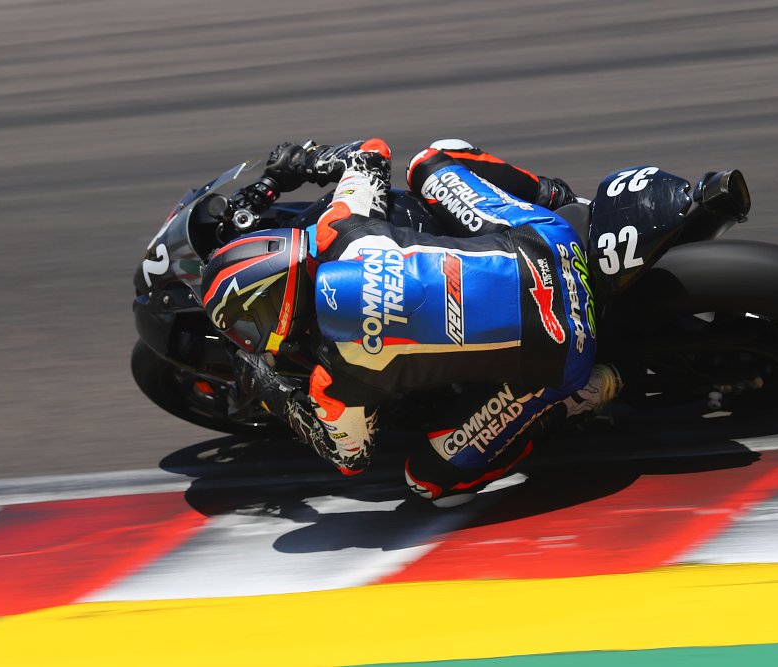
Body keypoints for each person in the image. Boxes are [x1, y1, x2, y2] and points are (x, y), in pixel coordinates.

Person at [201, 138, 622, 507]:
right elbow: (371, 153)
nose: (247, 336)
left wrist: (271, 391)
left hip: (563, 352)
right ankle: (556, 198)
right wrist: (301, 163)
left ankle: (580, 396)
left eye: (247, 326)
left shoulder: (334, 380)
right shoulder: (339, 228)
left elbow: (351, 458)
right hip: (552, 242)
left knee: (429, 484)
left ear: (273, 309)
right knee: (430, 158)